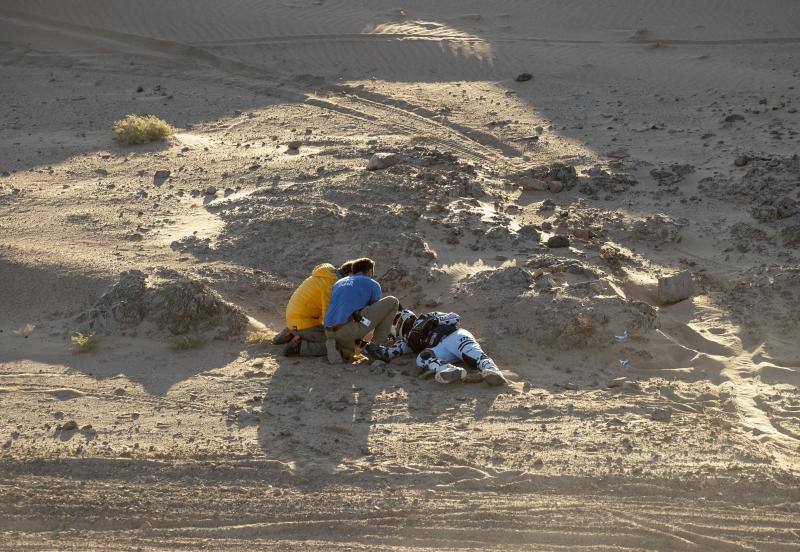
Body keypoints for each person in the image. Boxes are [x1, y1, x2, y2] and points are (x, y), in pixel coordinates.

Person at [365, 310, 507, 386]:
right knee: (422, 357)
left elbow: (455, 318)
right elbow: (387, 353)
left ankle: (493, 372)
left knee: (473, 354)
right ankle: (449, 370)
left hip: (454, 335)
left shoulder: (428, 316)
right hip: (440, 350)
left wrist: (433, 321)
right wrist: (366, 346)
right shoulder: (405, 341)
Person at [323, 258, 398, 362]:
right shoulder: (372, 283)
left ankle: (341, 349)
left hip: (328, 330)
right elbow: (375, 314)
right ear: (369, 271)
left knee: (349, 355)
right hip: (347, 329)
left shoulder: (338, 283)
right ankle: (375, 347)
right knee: (392, 302)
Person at [273, 261, 353, 356]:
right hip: (303, 323)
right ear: (349, 275)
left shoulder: (327, 273)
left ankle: (290, 334)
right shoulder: (331, 286)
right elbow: (329, 319)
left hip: (294, 317)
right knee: (338, 343)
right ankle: (299, 347)